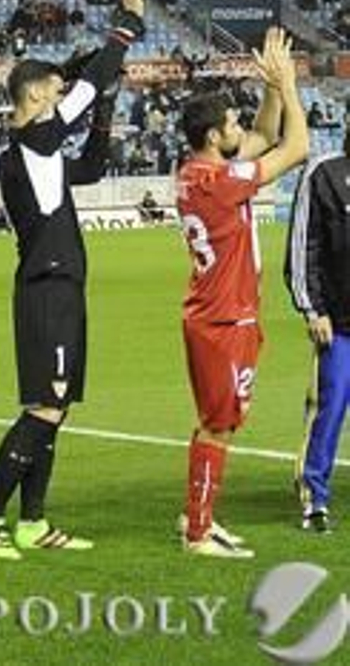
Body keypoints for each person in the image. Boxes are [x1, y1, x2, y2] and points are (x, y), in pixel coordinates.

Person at [0, 0, 144, 561]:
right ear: (36, 97)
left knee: (56, 408)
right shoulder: (33, 144)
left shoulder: (33, 156)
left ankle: (32, 523)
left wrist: (103, 110)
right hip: (47, 290)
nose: (62, 95)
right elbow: (90, 82)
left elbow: (90, 169)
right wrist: (126, 27)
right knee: (43, 408)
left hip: (60, 287)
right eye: (55, 90)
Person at [178, 28, 308, 556]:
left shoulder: (198, 171)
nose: (239, 126)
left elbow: (262, 132)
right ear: (213, 136)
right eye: (229, 122)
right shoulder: (222, 181)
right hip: (225, 319)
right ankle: (198, 532)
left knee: (213, 421)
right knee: (220, 425)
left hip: (211, 313)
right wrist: (291, 84)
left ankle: (198, 516)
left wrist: (271, 88)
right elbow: (295, 146)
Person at [286, 111, 350, 534]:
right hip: (340, 322)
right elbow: (302, 246)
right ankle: (315, 498)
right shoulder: (324, 174)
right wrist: (312, 309)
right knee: (329, 409)